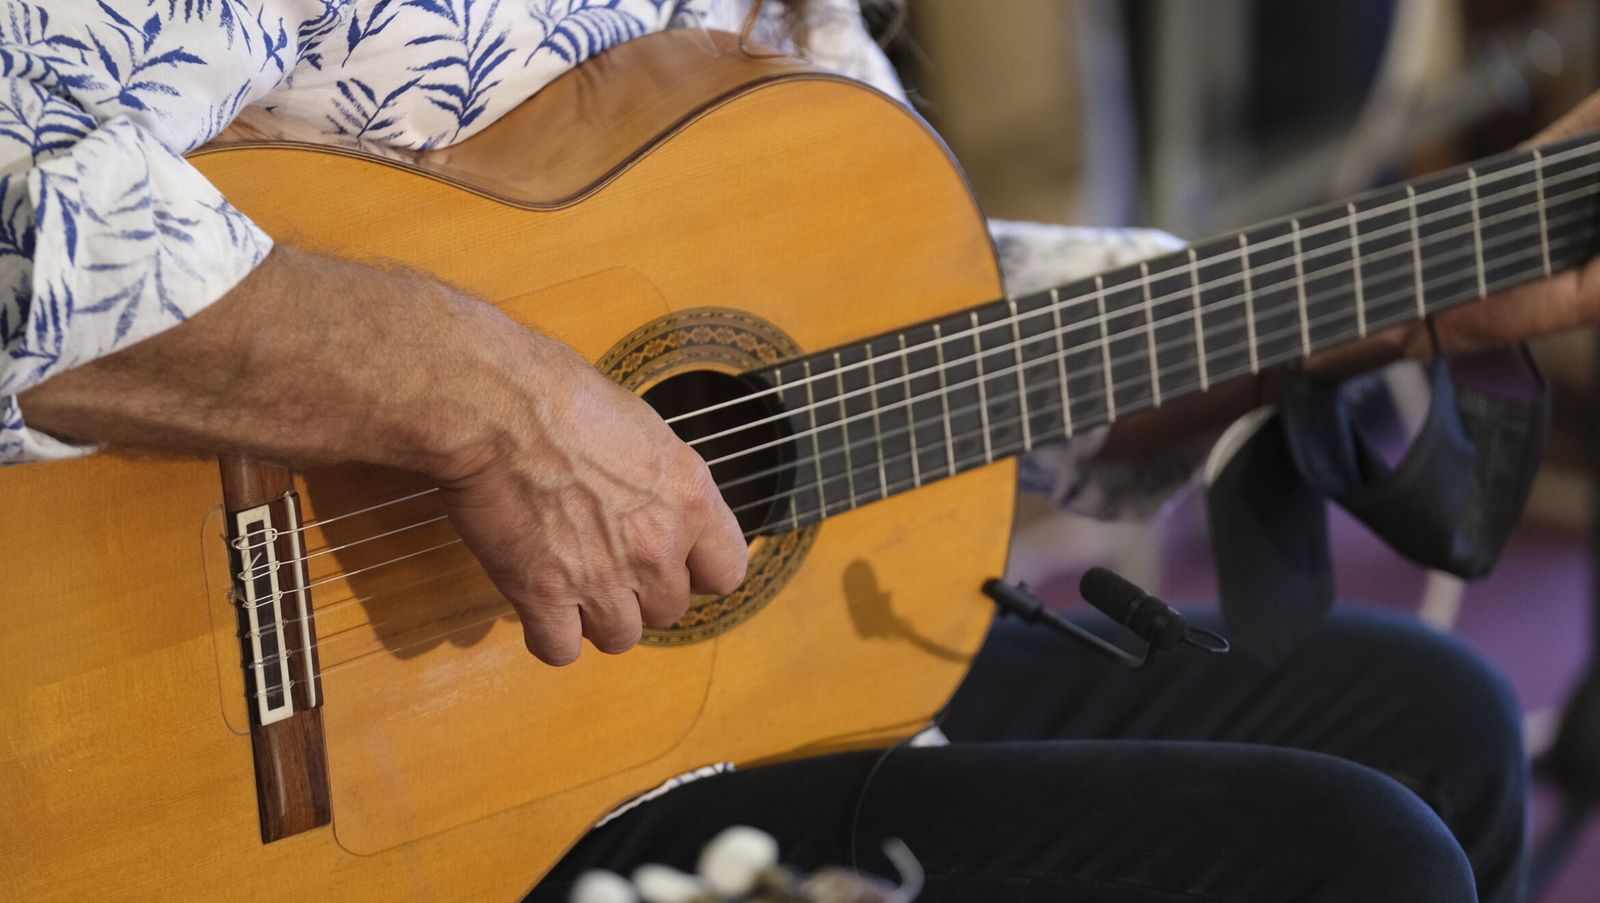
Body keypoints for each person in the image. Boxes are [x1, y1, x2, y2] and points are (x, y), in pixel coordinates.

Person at [4, 1, 1595, 900]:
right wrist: (493, 408)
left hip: (730, 681)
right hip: (333, 780)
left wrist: (1392, 298)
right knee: (1353, 867)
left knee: (1433, 724)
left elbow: (886, 308)